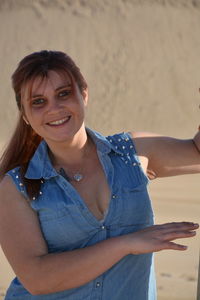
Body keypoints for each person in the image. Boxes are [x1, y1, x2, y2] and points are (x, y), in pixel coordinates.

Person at [0, 50, 199, 300]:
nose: (55, 108)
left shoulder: (132, 152)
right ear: (25, 116)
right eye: (38, 101)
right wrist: (126, 243)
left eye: (64, 93)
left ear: (84, 93)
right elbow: (37, 279)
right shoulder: (16, 185)